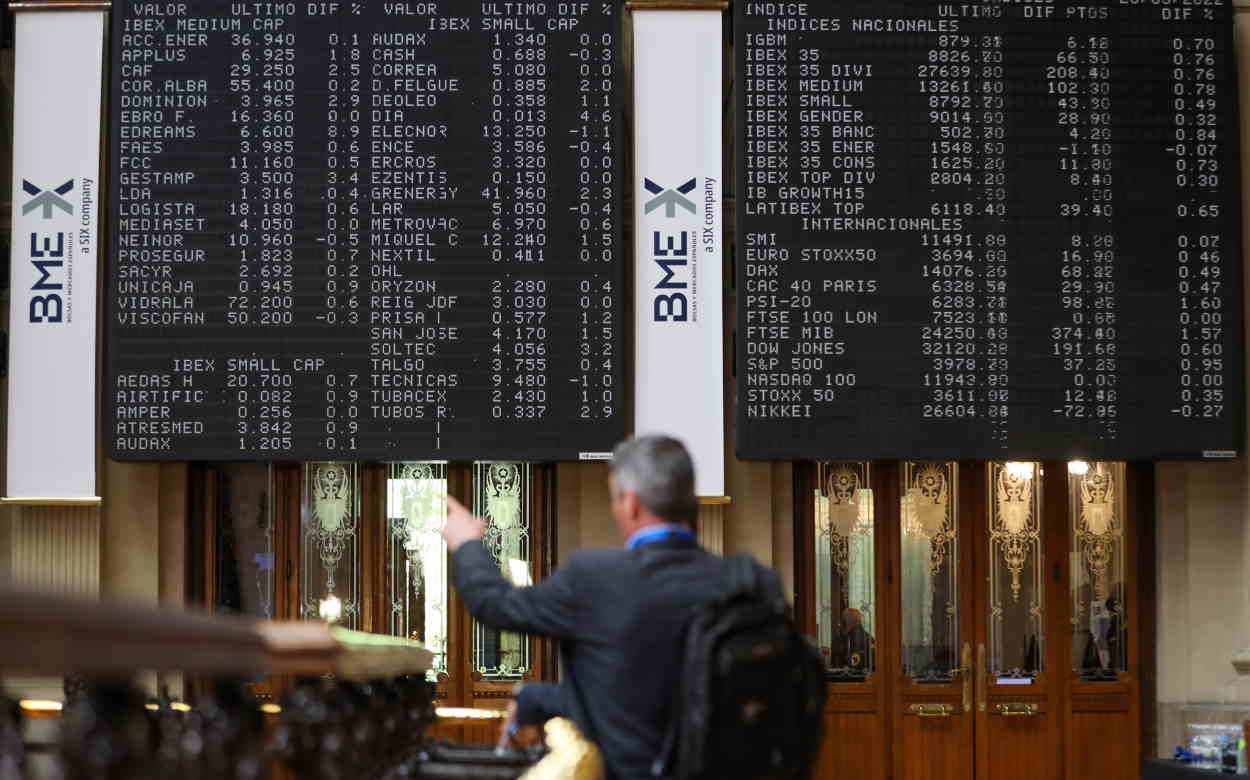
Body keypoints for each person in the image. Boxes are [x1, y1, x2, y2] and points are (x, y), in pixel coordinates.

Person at [440, 435, 745, 780]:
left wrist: (466, 544)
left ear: (630, 504)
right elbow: (661, 697)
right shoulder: (748, 582)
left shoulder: (596, 578)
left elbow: (494, 604)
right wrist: (536, 697)